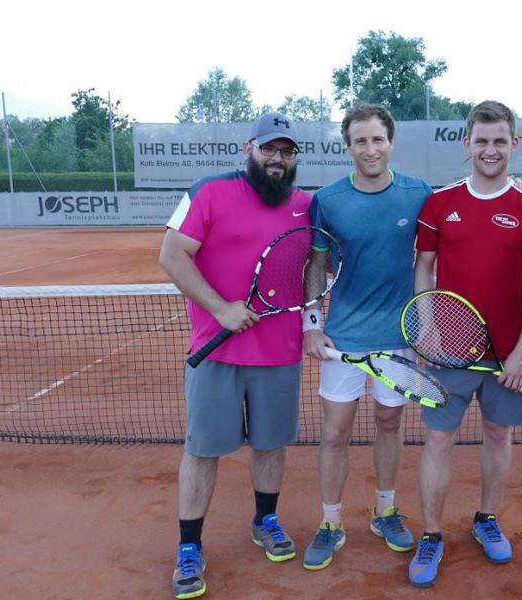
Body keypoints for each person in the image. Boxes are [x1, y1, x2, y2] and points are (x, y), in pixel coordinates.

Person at [159, 111, 310, 599]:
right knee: (202, 451)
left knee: (270, 445)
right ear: (249, 148)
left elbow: (313, 268)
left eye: (287, 151)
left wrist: (312, 324)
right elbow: (171, 254)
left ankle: (265, 519)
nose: (277, 158)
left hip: (280, 352)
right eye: (269, 148)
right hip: (215, 351)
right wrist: (221, 308)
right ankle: (189, 547)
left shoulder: (307, 206)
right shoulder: (209, 191)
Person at [407, 100, 522, 588]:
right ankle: (431, 533)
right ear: (466, 143)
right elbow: (424, 267)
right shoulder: (439, 203)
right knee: (439, 438)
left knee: (498, 435)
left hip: (507, 353)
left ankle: (486, 518)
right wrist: (427, 325)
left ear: (514, 144)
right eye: (481, 141)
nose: (490, 150)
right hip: (448, 350)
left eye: (500, 141)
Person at [300, 103, 433, 570]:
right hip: (343, 339)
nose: (370, 148)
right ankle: (331, 521)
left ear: (391, 142)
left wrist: (427, 323)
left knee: (390, 425)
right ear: (348, 146)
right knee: (335, 433)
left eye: (378, 139)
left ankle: (385, 510)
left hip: (397, 336)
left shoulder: (418, 194)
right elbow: (316, 264)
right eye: (361, 140)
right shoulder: (329, 200)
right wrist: (312, 323)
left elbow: (427, 260)